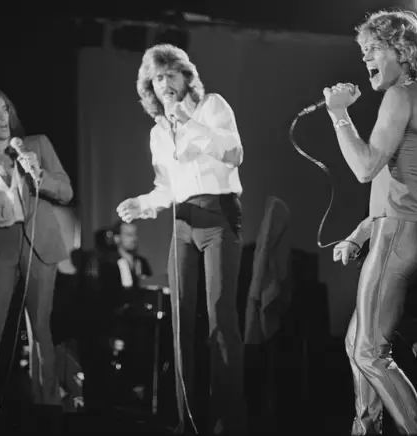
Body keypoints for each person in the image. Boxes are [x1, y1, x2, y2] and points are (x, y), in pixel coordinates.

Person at [116, 43, 246, 435]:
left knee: (221, 319)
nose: (165, 84)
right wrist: (142, 203)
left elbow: (234, 154)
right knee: (181, 322)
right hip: (182, 222)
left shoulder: (213, 107)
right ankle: (187, 420)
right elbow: (167, 188)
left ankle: (228, 421)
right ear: (149, 88)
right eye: (157, 79)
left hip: (219, 215)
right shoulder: (158, 133)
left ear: (186, 77)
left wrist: (189, 121)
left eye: (171, 74)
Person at [327, 10, 417, 435]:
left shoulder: (402, 96)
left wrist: (339, 114)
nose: (365, 58)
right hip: (403, 233)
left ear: (404, 50)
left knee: (370, 351)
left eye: (373, 48)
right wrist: (360, 234)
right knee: (360, 345)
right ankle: (366, 429)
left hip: (397, 236)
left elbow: (365, 168)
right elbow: (400, 190)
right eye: (363, 51)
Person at [0, 86, 73, 434]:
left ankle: (48, 411)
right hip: (1, 247)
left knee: (40, 331)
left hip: (37, 241)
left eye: (6, 110)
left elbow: (65, 191)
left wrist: (40, 175)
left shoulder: (35, 145)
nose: (4, 118)